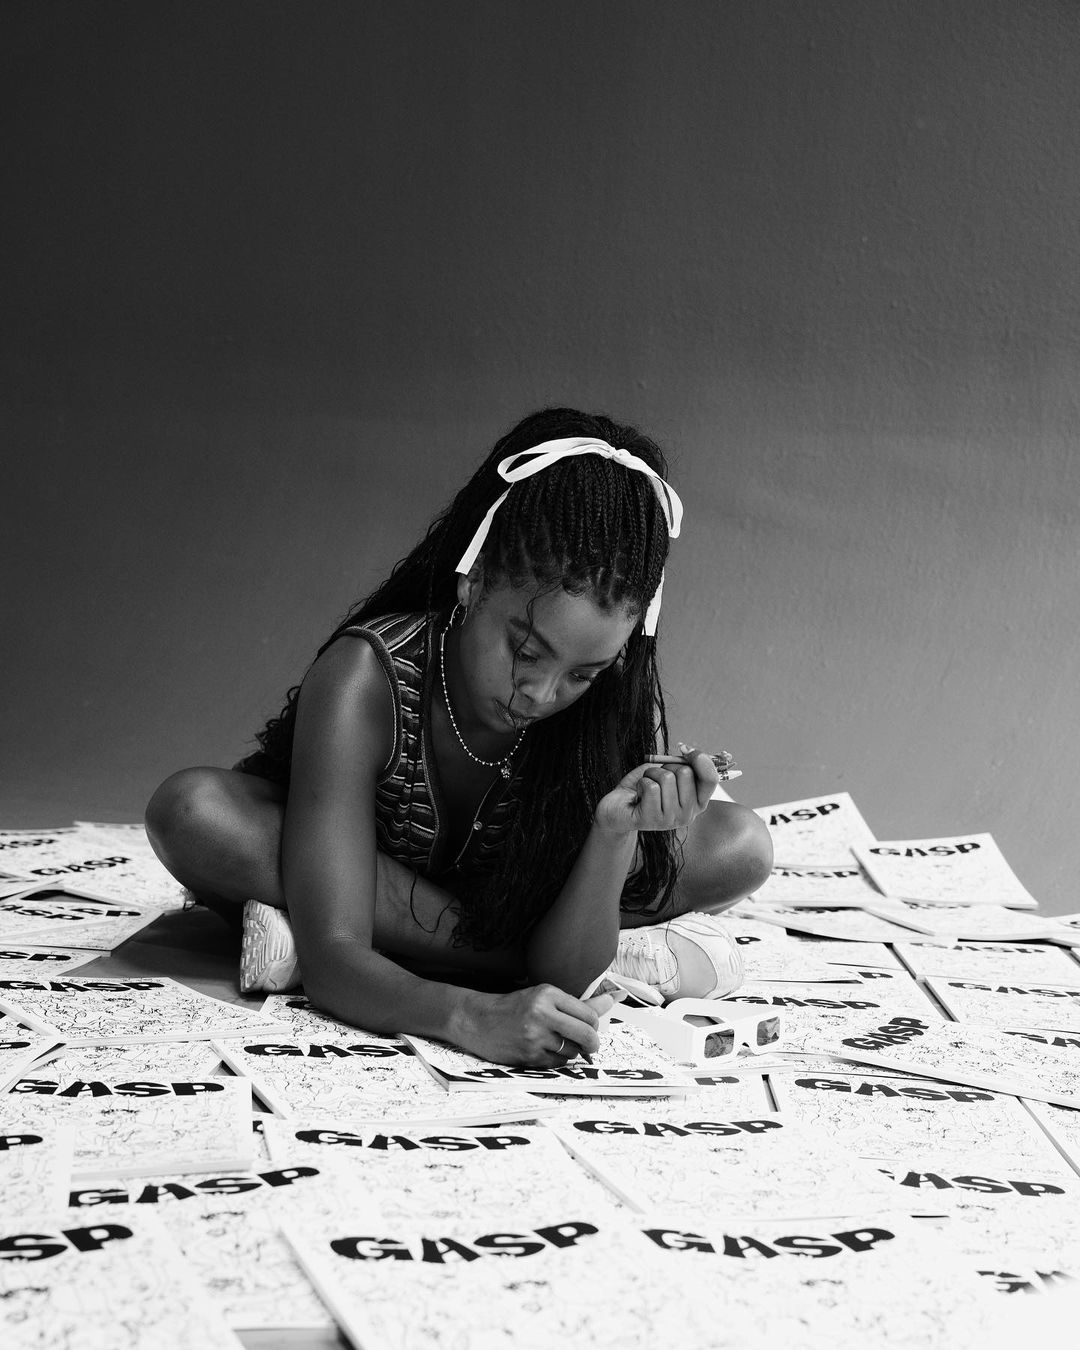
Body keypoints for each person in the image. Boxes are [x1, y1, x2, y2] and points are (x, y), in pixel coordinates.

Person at [145, 407, 773, 1066]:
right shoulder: (366, 676)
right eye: (525, 650)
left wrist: (615, 834)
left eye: (581, 674)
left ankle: (359, 954)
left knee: (741, 846)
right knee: (194, 812)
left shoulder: (600, 708)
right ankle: (572, 957)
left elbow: (564, 975)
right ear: (473, 581)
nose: (540, 693)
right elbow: (336, 956)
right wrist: (470, 1012)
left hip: (475, 907)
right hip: (372, 882)